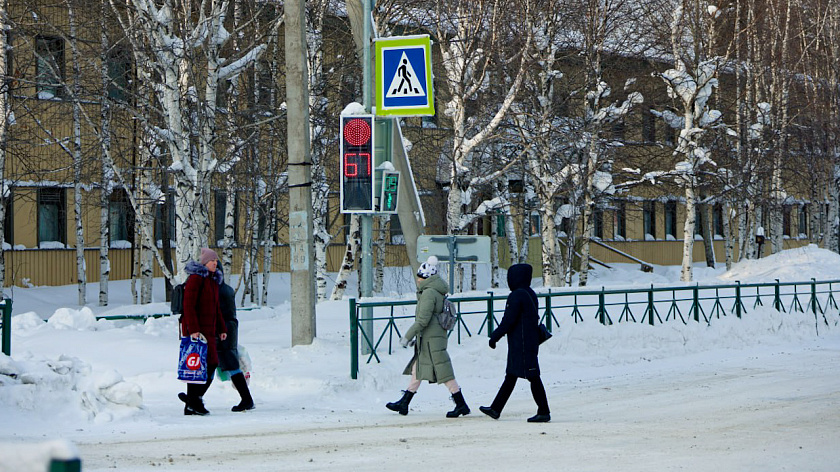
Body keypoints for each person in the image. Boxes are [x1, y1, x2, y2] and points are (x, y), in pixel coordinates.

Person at [386, 256, 470, 418]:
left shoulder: (429, 293)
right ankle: (404, 403)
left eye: (420, 276)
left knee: (443, 372)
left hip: (432, 340)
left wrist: (407, 336)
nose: (417, 280)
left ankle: (461, 404)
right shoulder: (433, 291)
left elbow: (422, 320)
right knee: (417, 369)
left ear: (426, 278)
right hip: (432, 338)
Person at [480, 263, 551, 423]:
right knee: (511, 375)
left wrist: (495, 336)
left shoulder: (517, 295)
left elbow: (508, 321)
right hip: (526, 341)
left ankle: (544, 411)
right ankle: (495, 408)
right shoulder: (529, 293)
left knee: (533, 376)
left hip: (523, 343)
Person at [178, 248, 228, 416]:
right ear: (204, 263)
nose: (215, 263)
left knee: (211, 364)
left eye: (216, 261)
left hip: (209, 330)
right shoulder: (195, 279)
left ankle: (193, 401)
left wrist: (222, 328)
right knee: (196, 368)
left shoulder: (213, 281)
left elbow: (216, 308)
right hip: (197, 331)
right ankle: (193, 403)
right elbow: (188, 305)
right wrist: (193, 330)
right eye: (212, 261)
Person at [218, 277, 255, 412]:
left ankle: (247, 399)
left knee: (230, 366)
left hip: (224, 332)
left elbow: (220, 313)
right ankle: (195, 398)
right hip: (227, 330)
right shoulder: (225, 289)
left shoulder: (219, 290)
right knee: (211, 366)